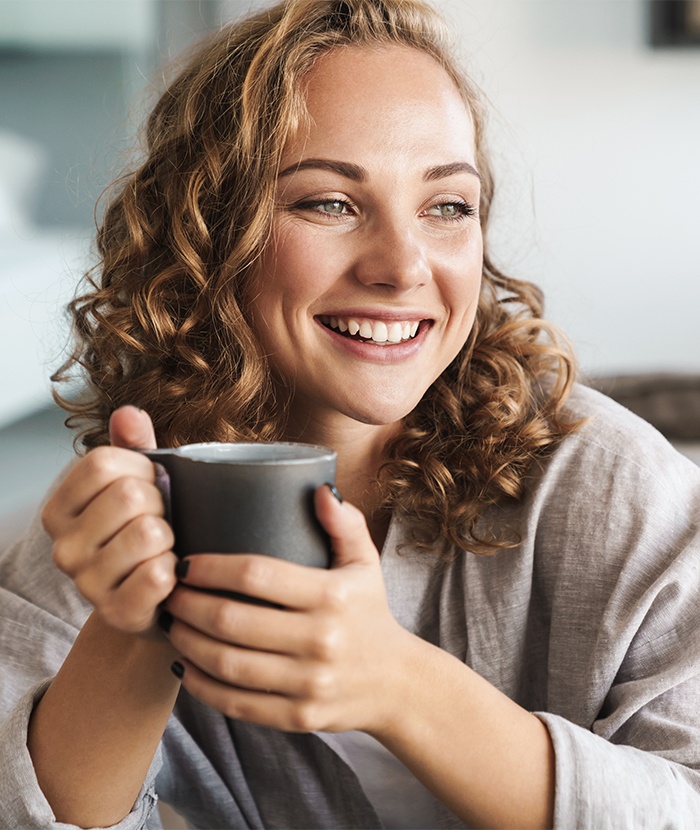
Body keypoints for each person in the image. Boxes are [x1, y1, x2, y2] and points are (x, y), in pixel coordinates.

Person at [1, 1, 699, 828]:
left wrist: (399, 684)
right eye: (329, 202)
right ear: (210, 234)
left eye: (447, 207)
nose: (404, 266)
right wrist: (137, 624)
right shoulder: (116, 522)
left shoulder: (614, 488)